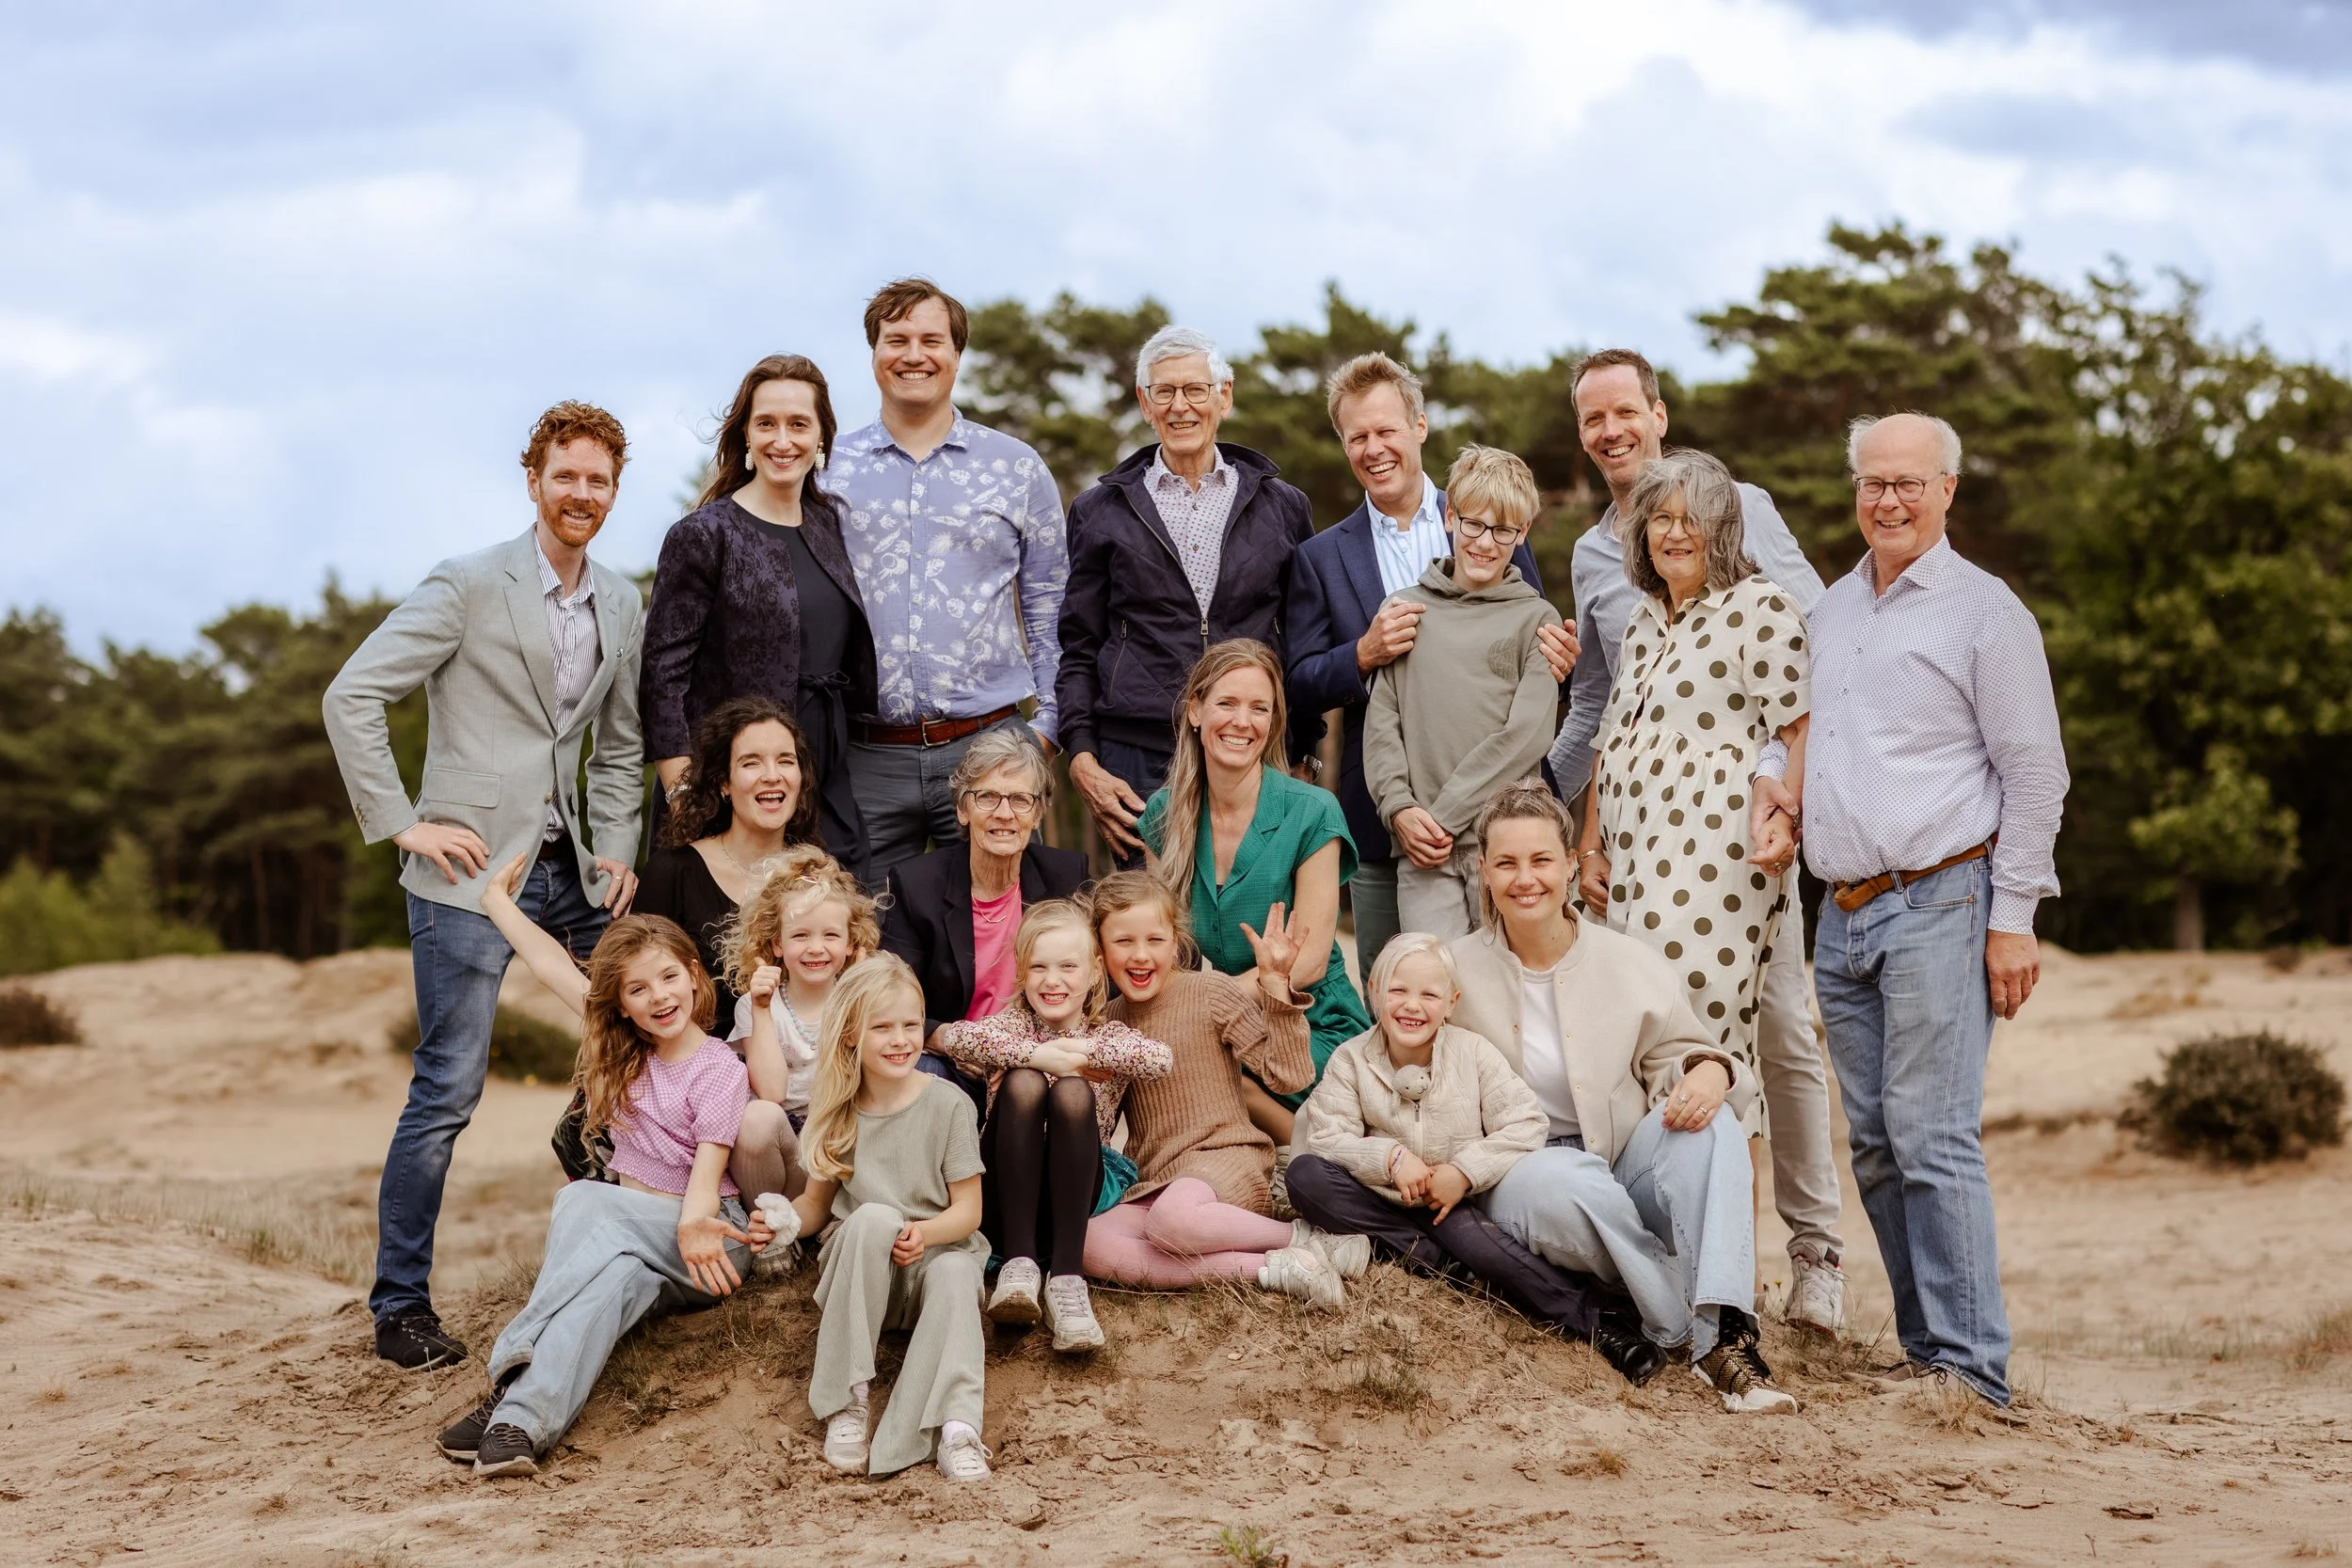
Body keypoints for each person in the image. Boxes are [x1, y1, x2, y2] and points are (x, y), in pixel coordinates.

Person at [1751, 411, 2068, 1409]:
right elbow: (1800, 736)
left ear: (1946, 489)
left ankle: (1973, 1371)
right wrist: (1772, 789)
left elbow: (2035, 773)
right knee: (1879, 1145)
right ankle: (1930, 1352)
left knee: (1933, 1136)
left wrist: (2011, 915)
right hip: (1839, 914)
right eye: (1871, 482)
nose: (1887, 499)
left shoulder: (1986, 612)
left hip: (1942, 896)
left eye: (1907, 483)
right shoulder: (1833, 609)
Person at [324, 401, 644, 1370]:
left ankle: (623, 1230)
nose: (581, 494)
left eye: (599, 480)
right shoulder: (466, 583)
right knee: (448, 1088)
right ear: (534, 479)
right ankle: (400, 1306)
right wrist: (400, 819)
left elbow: (618, 741)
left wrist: (620, 841)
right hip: (466, 874)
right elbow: (352, 694)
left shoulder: (623, 600)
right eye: (566, 476)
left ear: (613, 490)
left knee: (650, 1035)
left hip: (575, 870)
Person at [1548, 348, 1848, 1336]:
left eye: (1624, 410)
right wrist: (1568, 821)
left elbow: (1811, 665)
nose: (1610, 429)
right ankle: (1676, 1267)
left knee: (1760, 1044)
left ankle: (1796, 1265)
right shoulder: (1614, 582)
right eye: (1592, 417)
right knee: (1657, 1049)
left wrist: (1782, 800)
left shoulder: (1749, 551)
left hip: (1725, 856)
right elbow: (1604, 711)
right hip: (1633, 858)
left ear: (1657, 413)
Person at [1451, 782, 1797, 1414]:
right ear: (1483, 870)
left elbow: (1686, 1053)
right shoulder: (1451, 971)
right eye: (1507, 862)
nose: (1525, 878)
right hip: (1524, 1173)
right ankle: (1680, 1316)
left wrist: (1711, 1072)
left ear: (1570, 865)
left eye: (1541, 860)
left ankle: (1727, 1339)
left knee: (1713, 1124)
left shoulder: (1626, 960)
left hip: (1621, 1163)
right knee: (1564, 1181)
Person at [433, 909, 769, 1478]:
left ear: (693, 975)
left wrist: (691, 1226)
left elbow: (708, 1180)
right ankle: (519, 1422)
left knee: (582, 1199)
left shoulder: (719, 1068)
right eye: (638, 988)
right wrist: (494, 899)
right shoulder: (625, 1054)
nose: (659, 997)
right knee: (611, 1282)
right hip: (635, 1244)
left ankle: (515, 1353)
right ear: (619, 1003)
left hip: (711, 1238)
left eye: (668, 978)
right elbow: (546, 965)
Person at [1284, 354, 1574, 969]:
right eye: (1357, 436)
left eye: (1385, 429)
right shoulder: (1320, 557)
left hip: (1504, 817)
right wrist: (1363, 653)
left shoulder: (1486, 511)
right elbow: (1299, 682)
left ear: (1418, 425)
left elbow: (1527, 658)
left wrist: (1564, 662)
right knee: (1401, 983)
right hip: (1386, 813)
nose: (1373, 447)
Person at [1287, 934, 1659, 1385]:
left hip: (1451, 1204)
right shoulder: (1352, 1060)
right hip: (1378, 1196)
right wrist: (1388, 1158)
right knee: (1305, 1174)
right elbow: (1326, 1136)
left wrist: (1463, 1171)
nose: (1412, 1005)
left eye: (1429, 994)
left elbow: (1527, 1122)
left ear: (1451, 1002)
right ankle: (1437, 1262)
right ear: (1374, 991)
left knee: (1491, 1252)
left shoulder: (1472, 1052)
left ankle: (1601, 1322)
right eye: (1398, 990)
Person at [1575, 450, 1808, 1143]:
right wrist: (1590, 844)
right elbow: (1611, 737)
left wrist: (1785, 821)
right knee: (1637, 1037)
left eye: (1693, 520)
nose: (1676, 533)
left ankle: (1732, 1244)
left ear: (1724, 530)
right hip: (1634, 863)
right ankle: (1669, 1239)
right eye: (1662, 519)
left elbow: (1798, 727)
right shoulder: (1643, 619)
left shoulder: (1760, 606)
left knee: (1705, 1040)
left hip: (1718, 861)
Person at [822, 278, 1069, 883]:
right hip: (864, 757)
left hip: (990, 749)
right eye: (896, 339)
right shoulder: (828, 470)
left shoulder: (1015, 467)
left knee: (1000, 943)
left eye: (931, 339)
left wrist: (1046, 730)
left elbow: (1052, 606)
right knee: (866, 942)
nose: (914, 354)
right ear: (874, 354)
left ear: (957, 354)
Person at [1057, 325, 1318, 863]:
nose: (1181, 407)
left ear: (1224, 395)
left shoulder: (1285, 506)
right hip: (1138, 754)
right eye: (1165, 392)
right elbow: (1079, 645)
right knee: (1149, 932)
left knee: (1252, 920)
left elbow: (1302, 638)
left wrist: (1304, 752)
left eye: (1195, 390)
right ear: (1144, 404)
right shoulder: (1098, 511)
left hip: (1254, 744)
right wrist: (1083, 756)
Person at [1077, 873, 1364, 1308]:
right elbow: (1098, 1129)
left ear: (1176, 944)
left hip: (1226, 1160)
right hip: (1158, 1180)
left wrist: (1275, 989)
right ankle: (1280, 1268)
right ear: (1099, 952)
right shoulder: (1107, 1022)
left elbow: (1290, 1076)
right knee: (1090, 1243)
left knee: (1172, 1223)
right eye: (1123, 942)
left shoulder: (1209, 991)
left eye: (1155, 939)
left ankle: (1305, 1236)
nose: (1140, 955)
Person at [756, 956, 993, 1481]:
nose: (901, 1039)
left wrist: (924, 1234)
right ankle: (849, 1400)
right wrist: (783, 1222)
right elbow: (817, 1206)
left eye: (911, 1025)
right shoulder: (836, 1106)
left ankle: (957, 1428)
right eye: (882, 1027)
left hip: (932, 1269)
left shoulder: (950, 1105)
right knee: (874, 1218)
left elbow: (969, 1212)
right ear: (849, 1037)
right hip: (863, 1279)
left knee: (957, 1269)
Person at [642, 355, 877, 882]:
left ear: (822, 440)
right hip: (733, 786)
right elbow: (661, 677)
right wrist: (687, 797)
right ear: (745, 435)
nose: (782, 440)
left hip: (825, 778)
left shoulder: (829, 525)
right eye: (766, 423)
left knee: (834, 936)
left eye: (799, 424)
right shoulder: (704, 534)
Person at [1136, 641, 1372, 1157]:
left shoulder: (1312, 811)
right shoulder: (1163, 812)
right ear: (1195, 710)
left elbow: (1306, 964)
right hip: (1213, 1025)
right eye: (1227, 704)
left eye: (1259, 708)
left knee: (1212, 1074)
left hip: (1304, 1018)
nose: (1242, 722)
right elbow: (1161, 947)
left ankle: (1325, 1160)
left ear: (1273, 723)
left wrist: (1204, 1008)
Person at [936, 900, 1172, 1353]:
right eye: (1039, 967)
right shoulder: (1009, 1027)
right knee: (1025, 1083)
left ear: (1094, 973)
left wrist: (1079, 1053)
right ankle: (1019, 1268)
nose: (1053, 980)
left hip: (1075, 1194)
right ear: (1021, 974)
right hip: (1007, 1193)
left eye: (1068, 966)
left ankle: (1067, 1281)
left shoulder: (1107, 1035)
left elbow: (1160, 1059)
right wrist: (1035, 1056)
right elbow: (956, 1037)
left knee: (1071, 1091)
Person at [1363, 446, 1564, 940]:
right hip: (1421, 850)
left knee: (1508, 996)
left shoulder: (1535, 619)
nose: (1485, 542)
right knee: (1434, 987)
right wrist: (1400, 810)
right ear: (1449, 516)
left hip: (1505, 849)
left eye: (1504, 530)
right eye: (1474, 524)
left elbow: (1527, 735)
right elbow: (1383, 724)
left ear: (1522, 534)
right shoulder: (1406, 609)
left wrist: (1444, 816)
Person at [878, 728, 1089, 1099]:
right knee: (924, 1075)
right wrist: (950, 1040)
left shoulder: (1067, 877)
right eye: (987, 797)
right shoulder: (916, 884)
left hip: (1042, 1057)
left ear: (1037, 813)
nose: (1004, 814)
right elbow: (887, 995)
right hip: (954, 1060)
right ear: (962, 809)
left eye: (1021, 800)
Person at [637, 697, 821, 1030]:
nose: (772, 775)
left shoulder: (817, 877)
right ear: (724, 782)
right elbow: (632, 982)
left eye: (785, 761)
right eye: (751, 763)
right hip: (695, 1068)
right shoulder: (672, 872)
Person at [719, 845, 883, 1198]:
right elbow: (773, 1093)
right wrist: (761, 1009)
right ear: (777, 944)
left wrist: (866, 989)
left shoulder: (859, 1002)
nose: (816, 948)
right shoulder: (756, 1005)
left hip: (841, 1151)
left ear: (851, 943)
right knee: (758, 1116)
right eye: (800, 935)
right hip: (786, 1154)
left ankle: (827, 1230)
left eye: (831, 935)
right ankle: (775, 1232)